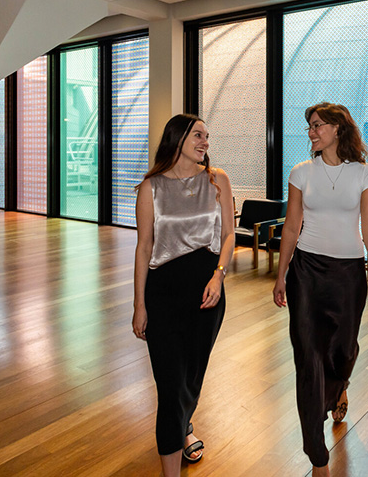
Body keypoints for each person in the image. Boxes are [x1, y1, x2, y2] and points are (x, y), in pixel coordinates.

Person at [273, 102, 368, 477]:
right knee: (307, 358)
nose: (310, 132)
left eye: (316, 125)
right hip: (306, 273)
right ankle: (317, 455)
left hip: (347, 275)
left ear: (337, 129)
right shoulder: (301, 173)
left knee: (342, 351)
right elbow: (291, 228)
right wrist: (281, 275)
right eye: (309, 126)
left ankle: (340, 386)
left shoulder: (365, 174)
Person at [132, 114, 235, 476]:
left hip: (206, 293)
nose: (205, 141)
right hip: (163, 294)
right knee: (170, 386)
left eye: (208, 136)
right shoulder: (152, 187)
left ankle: (185, 426)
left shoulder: (218, 179)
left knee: (191, 377)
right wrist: (139, 305)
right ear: (177, 138)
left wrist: (219, 276)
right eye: (198, 135)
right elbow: (144, 247)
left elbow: (228, 236)